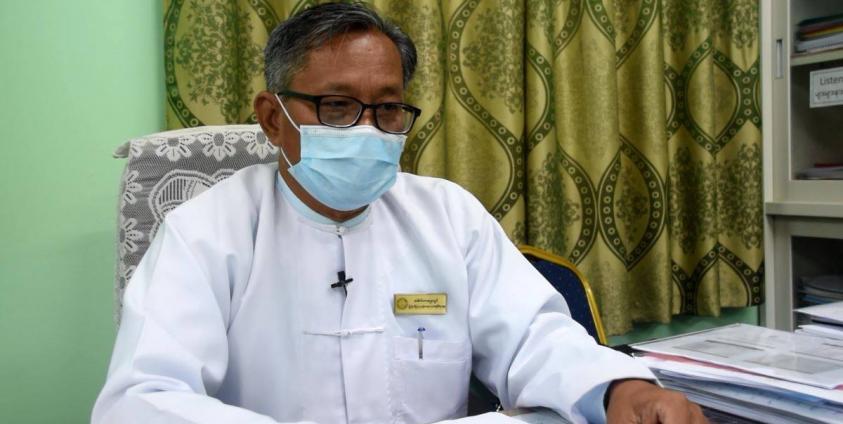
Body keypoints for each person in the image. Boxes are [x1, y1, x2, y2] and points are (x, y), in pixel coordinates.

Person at [92, 3, 706, 423]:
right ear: (274, 119)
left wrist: (616, 388)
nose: (368, 129)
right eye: (336, 107)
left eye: (387, 109)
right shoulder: (206, 232)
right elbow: (142, 399)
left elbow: (534, 338)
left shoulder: (448, 216)